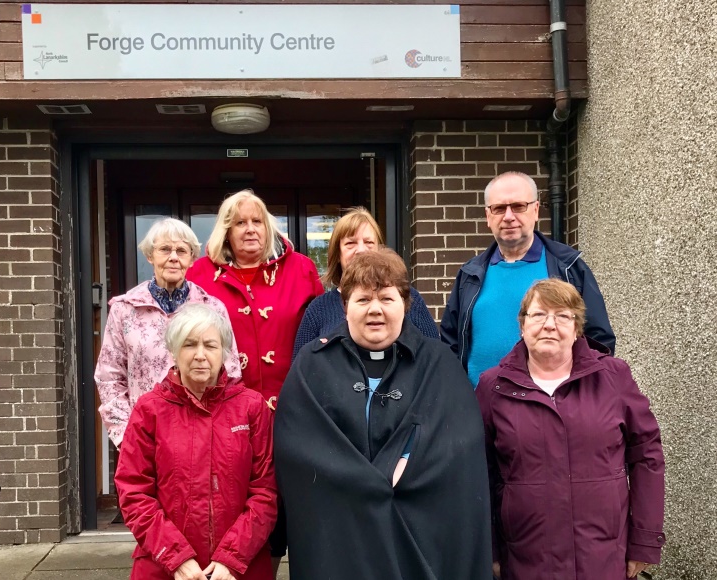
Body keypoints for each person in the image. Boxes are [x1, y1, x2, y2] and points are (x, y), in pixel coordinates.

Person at [275, 248, 492, 579]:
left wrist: (409, 461)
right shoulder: (312, 363)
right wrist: (366, 482)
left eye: (387, 299)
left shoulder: (439, 363)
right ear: (345, 307)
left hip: (416, 530)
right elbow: (299, 443)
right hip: (340, 533)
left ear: (405, 305)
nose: (375, 309)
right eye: (363, 300)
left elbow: (458, 440)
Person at [476, 279, 665, 579]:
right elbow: (479, 471)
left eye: (562, 316)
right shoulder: (493, 386)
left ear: (577, 328)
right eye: (538, 315)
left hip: (603, 556)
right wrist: (490, 549)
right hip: (525, 558)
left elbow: (647, 457)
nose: (549, 325)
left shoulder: (614, 376)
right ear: (522, 326)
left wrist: (644, 539)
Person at [115, 304, 277, 580]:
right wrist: (176, 558)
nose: (200, 355)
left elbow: (266, 492)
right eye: (190, 345)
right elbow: (134, 493)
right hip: (164, 567)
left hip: (239, 569)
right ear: (174, 352)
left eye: (210, 346)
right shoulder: (149, 410)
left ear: (224, 352)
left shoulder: (251, 408)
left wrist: (231, 558)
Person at [440, 171, 616, 387]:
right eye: (499, 208)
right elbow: (449, 345)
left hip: (550, 409)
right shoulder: (470, 274)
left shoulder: (568, 268)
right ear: (488, 216)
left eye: (518, 206)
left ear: (535, 210)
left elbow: (598, 340)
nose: (508, 216)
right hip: (479, 410)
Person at [94, 218, 241, 448]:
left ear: (191, 259)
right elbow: (109, 377)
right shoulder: (125, 309)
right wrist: (126, 435)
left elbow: (230, 373)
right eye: (165, 249)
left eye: (182, 250)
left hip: (203, 438)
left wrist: (219, 430)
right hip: (144, 438)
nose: (173, 257)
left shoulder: (212, 308)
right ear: (150, 256)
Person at [187, 189, 323, 408]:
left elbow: (322, 334)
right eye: (240, 223)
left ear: (267, 228)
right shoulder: (198, 274)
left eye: (257, 221)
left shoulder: (301, 269)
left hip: (294, 405)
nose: (250, 229)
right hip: (222, 409)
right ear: (227, 232)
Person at [293, 207, 438, 359]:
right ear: (337, 254)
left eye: (369, 242)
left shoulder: (409, 298)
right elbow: (301, 368)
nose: (361, 250)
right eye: (350, 243)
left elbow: (434, 356)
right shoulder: (318, 309)